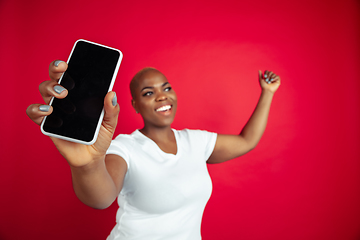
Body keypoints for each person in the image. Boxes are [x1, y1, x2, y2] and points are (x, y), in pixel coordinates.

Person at [26, 60, 281, 239]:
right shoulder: (124, 148)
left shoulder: (196, 142)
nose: (162, 96)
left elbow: (247, 141)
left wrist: (267, 93)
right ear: (135, 105)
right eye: (149, 93)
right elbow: (101, 198)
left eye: (166, 88)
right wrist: (87, 165)